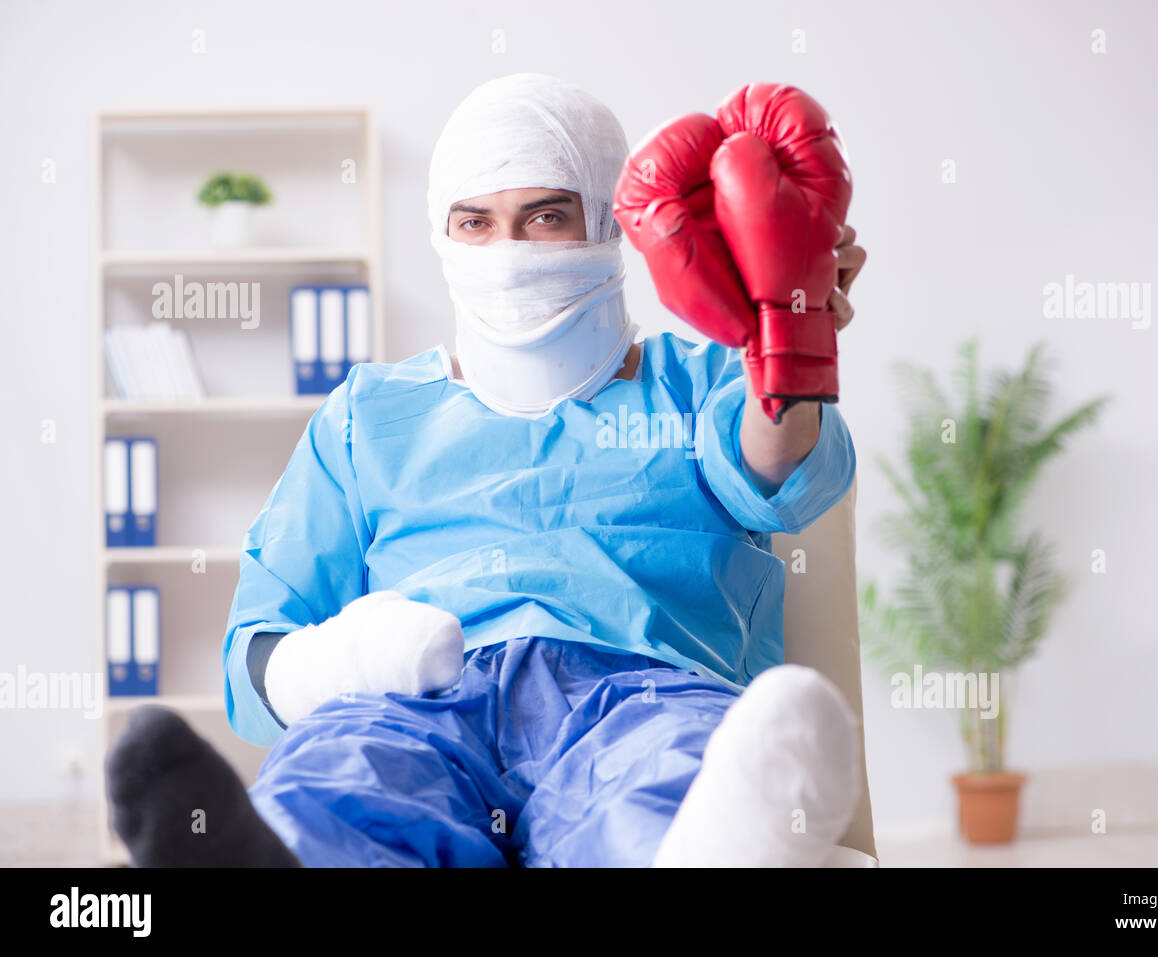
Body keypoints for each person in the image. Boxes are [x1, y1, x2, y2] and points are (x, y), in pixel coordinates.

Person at [106, 73, 868, 868]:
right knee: (344, 777)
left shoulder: (700, 379)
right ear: (444, 233)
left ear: (609, 222)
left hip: (640, 693)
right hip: (415, 701)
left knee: (664, 779)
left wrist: (787, 331)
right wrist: (346, 662)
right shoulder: (368, 416)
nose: (505, 251)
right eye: (475, 222)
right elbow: (257, 649)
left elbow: (780, 472)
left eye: (544, 216)